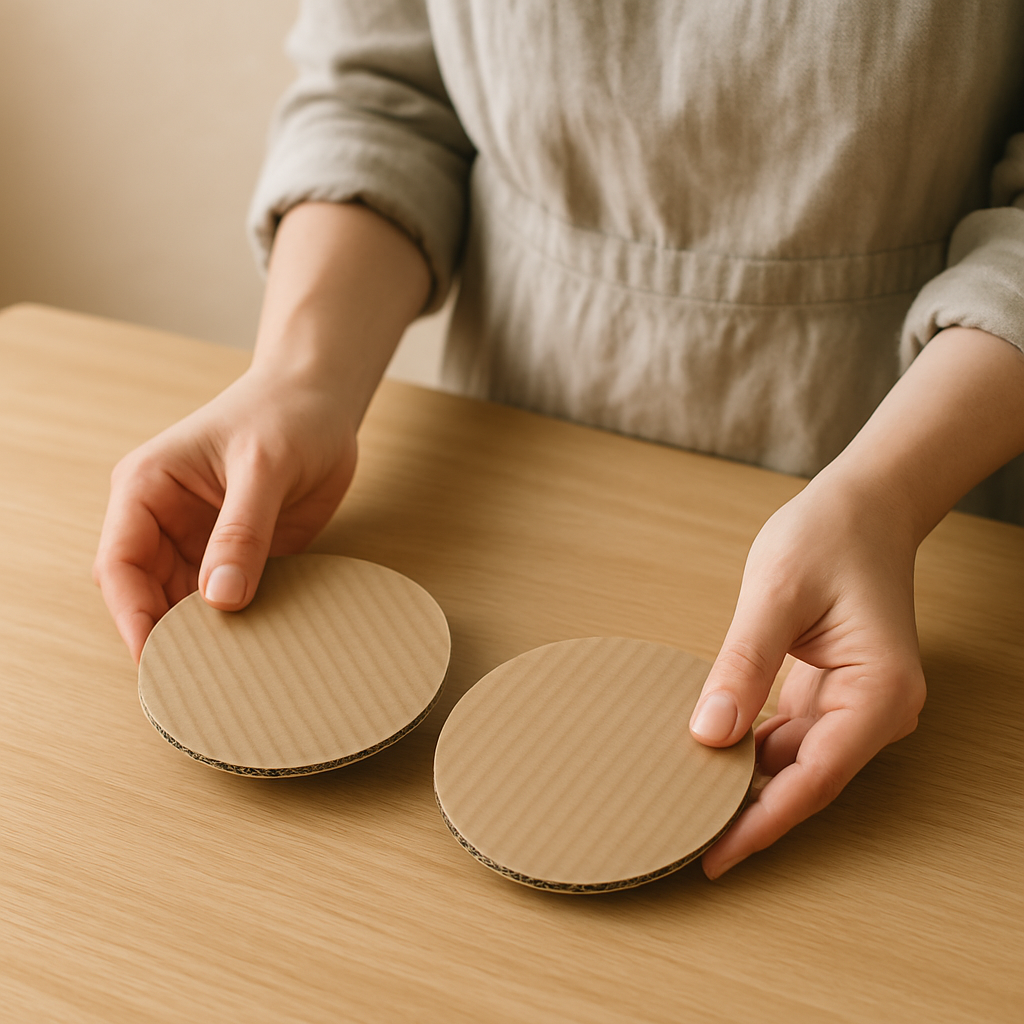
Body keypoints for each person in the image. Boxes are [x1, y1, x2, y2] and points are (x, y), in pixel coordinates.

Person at [94, 2, 1024, 879]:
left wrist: (886, 500)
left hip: (917, 498)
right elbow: (385, 98)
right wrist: (301, 379)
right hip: (508, 469)